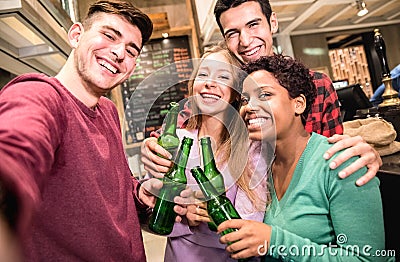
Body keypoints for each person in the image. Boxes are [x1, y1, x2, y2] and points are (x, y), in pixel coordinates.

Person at [142, 0, 381, 187]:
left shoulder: (316, 85)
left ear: (273, 23)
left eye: (253, 24)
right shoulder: (223, 93)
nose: (245, 41)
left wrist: (361, 154)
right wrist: (152, 145)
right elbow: (182, 126)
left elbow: (335, 155)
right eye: (232, 33)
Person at [0, 1, 169, 261]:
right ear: (76, 35)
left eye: (131, 50)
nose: (119, 53)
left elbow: (109, 192)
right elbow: (15, 156)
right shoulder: (39, 95)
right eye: (109, 35)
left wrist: (139, 196)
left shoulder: (109, 110)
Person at [218, 54, 385, 261]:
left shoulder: (343, 162)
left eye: (264, 95)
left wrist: (274, 241)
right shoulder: (260, 166)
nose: (249, 107)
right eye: (245, 99)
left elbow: (368, 258)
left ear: (299, 104)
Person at [150, 42, 264, 261]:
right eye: (203, 75)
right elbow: (151, 212)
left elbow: (252, 223)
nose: (210, 84)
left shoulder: (251, 149)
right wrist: (184, 218)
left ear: (235, 93)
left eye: (223, 77)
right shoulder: (174, 142)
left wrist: (209, 217)